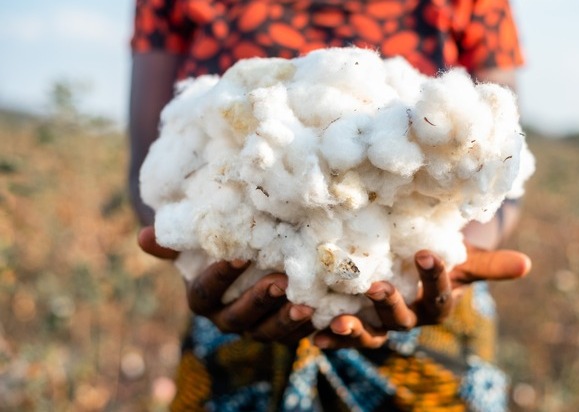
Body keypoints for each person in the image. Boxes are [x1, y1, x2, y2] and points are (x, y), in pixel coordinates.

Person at [129, 1, 531, 410]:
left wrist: (453, 263)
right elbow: (147, 172)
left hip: (428, 315)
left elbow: (501, 164)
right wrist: (196, 251)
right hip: (235, 315)